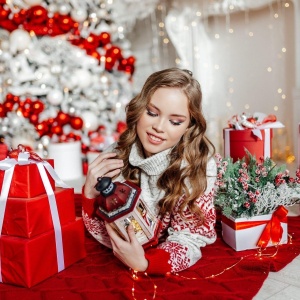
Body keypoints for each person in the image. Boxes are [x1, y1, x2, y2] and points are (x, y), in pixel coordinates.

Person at [82, 67, 217, 275]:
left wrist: (146, 264)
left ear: (189, 126)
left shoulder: (200, 167)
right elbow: (106, 233)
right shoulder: (115, 155)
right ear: (139, 108)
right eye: (152, 113)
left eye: (175, 121)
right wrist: (90, 196)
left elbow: (190, 237)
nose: (159, 127)